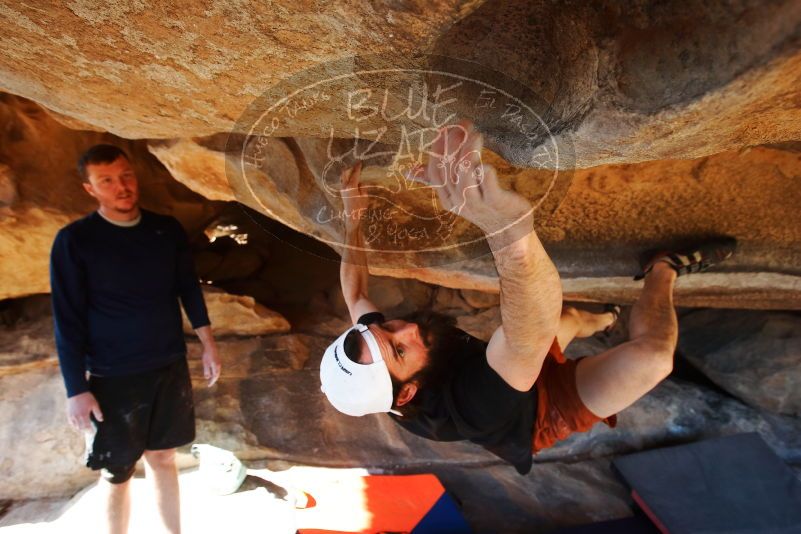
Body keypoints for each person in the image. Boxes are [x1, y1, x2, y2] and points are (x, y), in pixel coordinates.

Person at [319, 120, 735, 474]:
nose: (405, 327)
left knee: (569, 317)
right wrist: (507, 231)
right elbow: (526, 336)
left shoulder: (372, 351)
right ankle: (663, 269)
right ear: (407, 392)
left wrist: (353, 215)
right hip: (540, 410)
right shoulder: (470, 406)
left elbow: (354, 290)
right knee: (655, 358)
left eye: (386, 329)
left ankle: (608, 318)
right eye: (399, 349)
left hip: (506, 366)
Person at [50, 144, 221, 533]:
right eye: (106, 181)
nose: (121, 187)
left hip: (168, 364)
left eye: (125, 175)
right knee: (117, 470)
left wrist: (208, 343)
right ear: (90, 189)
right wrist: (76, 388)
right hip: (114, 375)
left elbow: (188, 290)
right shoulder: (75, 241)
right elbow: (67, 320)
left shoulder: (165, 230)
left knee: (163, 458)